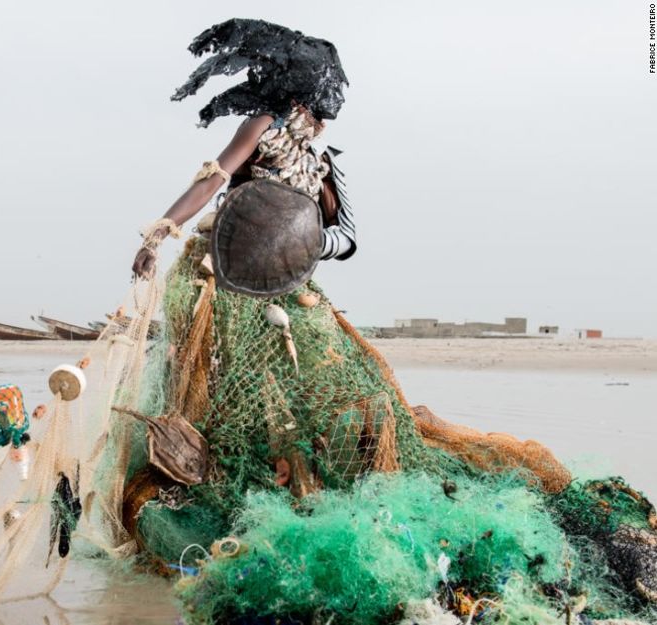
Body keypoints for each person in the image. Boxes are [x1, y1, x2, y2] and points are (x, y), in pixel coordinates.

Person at [118, 19, 657, 617]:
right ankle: (229, 476)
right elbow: (216, 176)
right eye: (318, 108)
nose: (323, 120)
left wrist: (319, 181)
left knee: (340, 383)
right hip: (228, 279)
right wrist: (162, 229)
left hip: (285, 286)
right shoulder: (262, 124)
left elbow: (320, 225)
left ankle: (300, 476)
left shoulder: (314, 150)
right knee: (225, 388)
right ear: (296, 97)